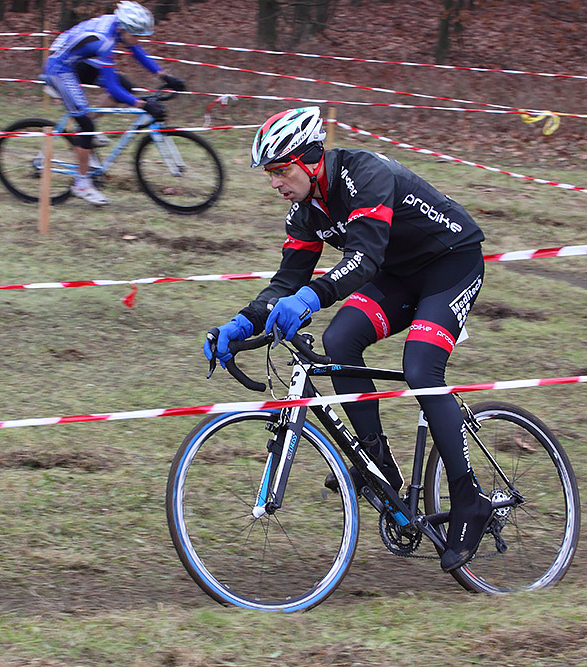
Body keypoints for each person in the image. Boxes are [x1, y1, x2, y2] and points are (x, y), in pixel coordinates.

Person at [204, 106, 493, 572]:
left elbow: (364, 258)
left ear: (311, 159)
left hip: (451, 265)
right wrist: (241, 322)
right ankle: (378, 462)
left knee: (421, 367)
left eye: (280, 170)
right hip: (399, 275)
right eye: (269, 174)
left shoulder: (366, 174)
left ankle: (469, 500)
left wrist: (310, 299)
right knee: (340, 342)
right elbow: (286, 279)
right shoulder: (304, 212)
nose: (275, 182)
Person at [43, 1, 185, 205]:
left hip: (76, 58)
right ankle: (81, 184)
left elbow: (135, 50)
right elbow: (111, 87)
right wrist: (143, 105)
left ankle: (84, 129)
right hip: (59, 67)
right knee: (87, 126)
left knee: (125, 86)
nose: (138, 40)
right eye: (135, 35)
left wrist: (164, 76)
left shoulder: (118, 26)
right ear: (123, 29)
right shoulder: (104, 40)